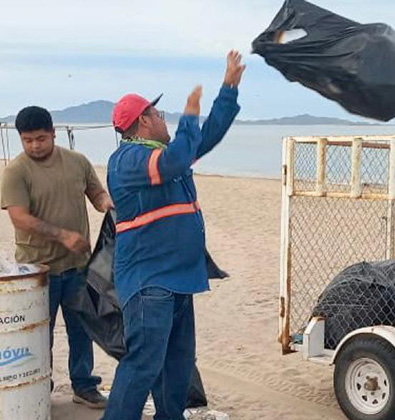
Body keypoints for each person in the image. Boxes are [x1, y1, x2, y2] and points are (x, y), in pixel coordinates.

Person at [101, 50, 245, 420]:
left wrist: (228, 88)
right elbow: (177, 159)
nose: (165, 119)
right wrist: (191, 115)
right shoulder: (128, 160)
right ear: (143, 121)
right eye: (159, 113)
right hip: (150, 281)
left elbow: (207, 136)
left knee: (177, 365)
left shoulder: (164, 153)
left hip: (179, 279)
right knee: (144, 364)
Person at [0, 106, 112, 408]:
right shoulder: (15, 171)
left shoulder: (77, 162)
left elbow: (97, 194)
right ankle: (40, 386)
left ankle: (84, 385)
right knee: (38, 336)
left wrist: (106, 205)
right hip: (36, 270)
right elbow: (20, 218)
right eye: (27, 140)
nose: (34, 145)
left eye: (40, 138)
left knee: (82, 329)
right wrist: (64, 236)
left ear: (53, 133)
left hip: (78, 267)